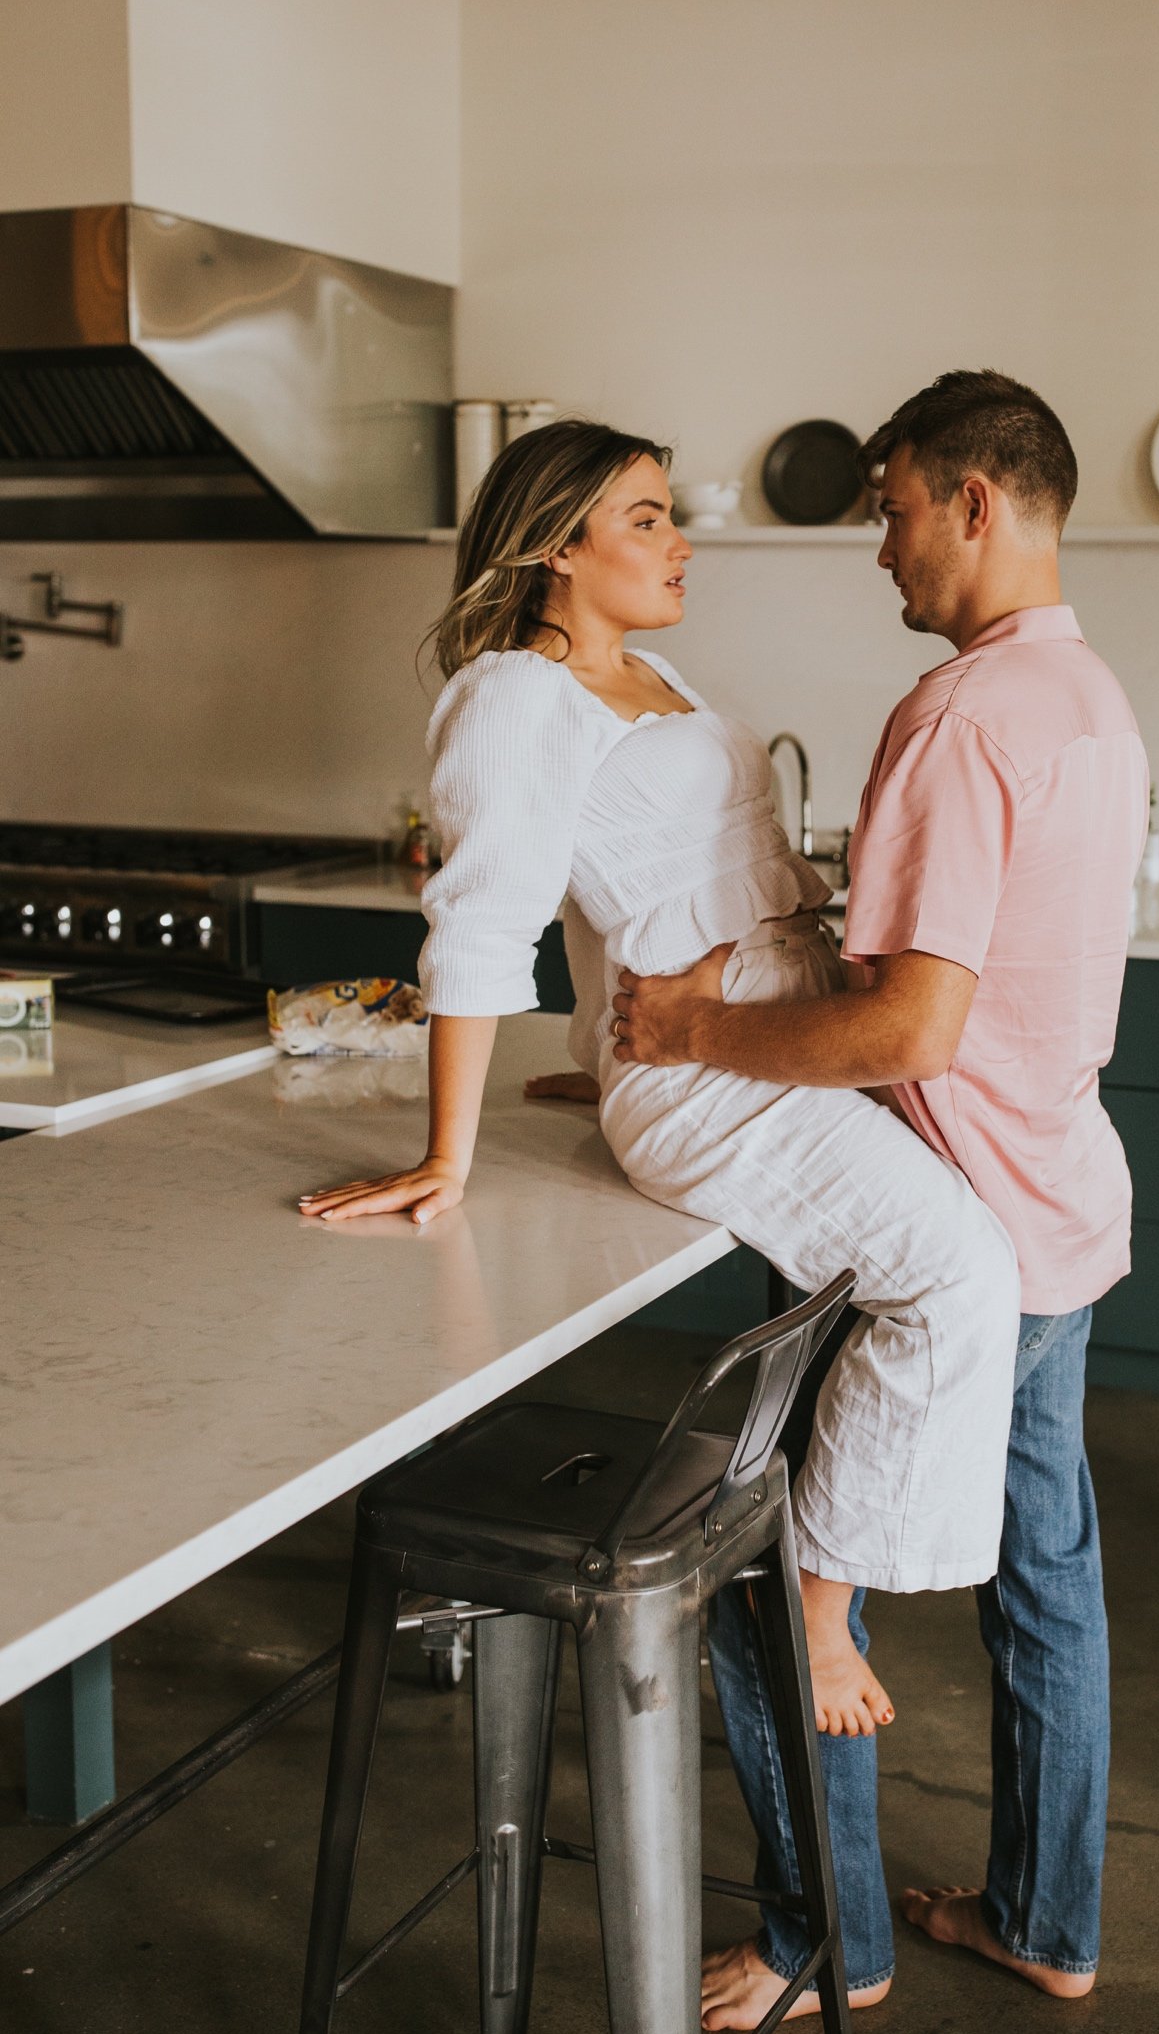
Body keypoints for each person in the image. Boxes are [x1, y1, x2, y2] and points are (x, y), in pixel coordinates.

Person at [298, 416, 1022, 1789]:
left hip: (758, 1035)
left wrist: (600, 1046)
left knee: (962, 1254)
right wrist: (447, 1154)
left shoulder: (656, 678)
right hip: (714, 1075)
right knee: (959, 1275)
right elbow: (488, 919)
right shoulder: (513, 694)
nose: (680, 538)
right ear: (558, 545)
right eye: (645, 517)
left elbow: (617, 904)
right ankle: (817, 1607)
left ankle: (816, 1580)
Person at [611, 368, 1151, 2029]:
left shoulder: (958, 717)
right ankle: (1049, 1918)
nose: (881, 547)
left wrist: (693, 1025)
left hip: (960, 1219)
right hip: (1059, 1202)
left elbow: (911, 1026)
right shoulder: (1087, 699)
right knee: (1046, 1587)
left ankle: (819, 1943)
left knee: (774, 1587)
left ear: (975, 504)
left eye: (894, 506)